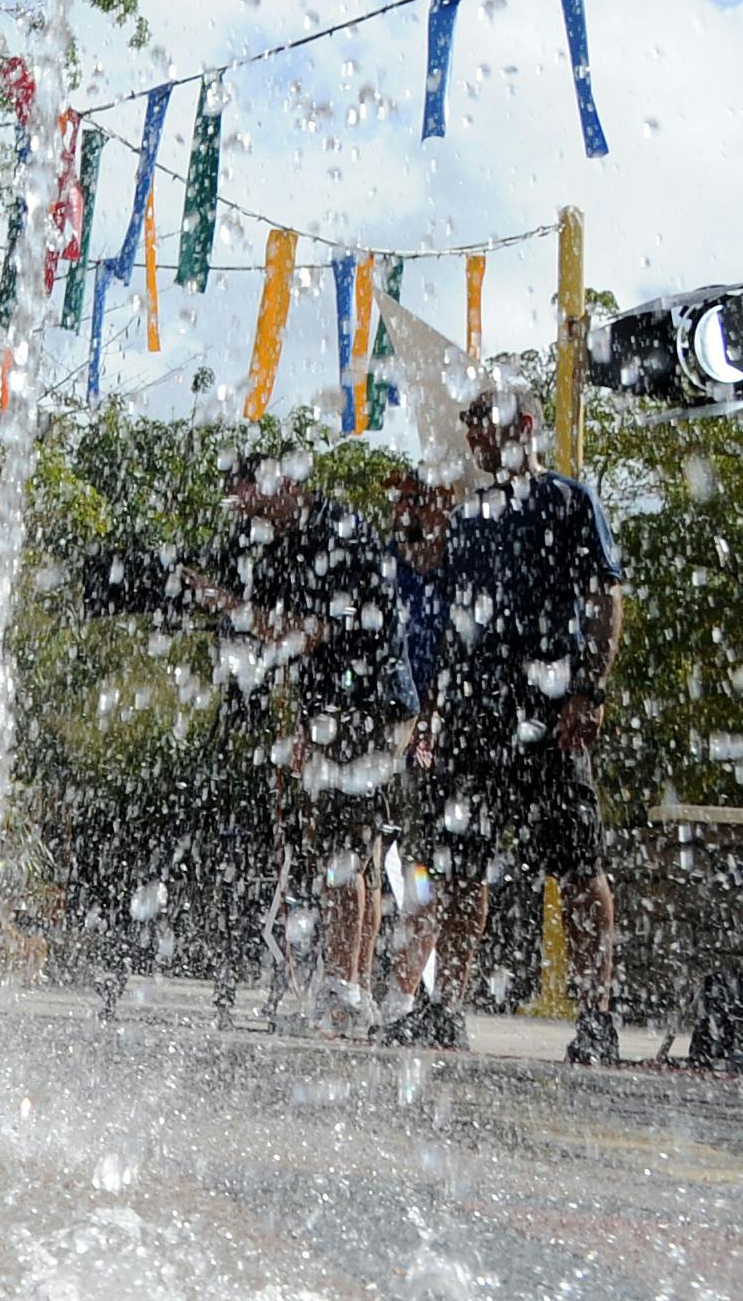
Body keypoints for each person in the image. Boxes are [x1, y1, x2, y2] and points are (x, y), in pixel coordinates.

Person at [382, 372, 625, 1062]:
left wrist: (590, 691)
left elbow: (606, 597)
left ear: (522, 426)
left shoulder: (569, 502)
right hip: (471, 713)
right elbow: (449, 617)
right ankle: (447, 1008)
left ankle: (597, 1016)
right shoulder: (470, 514)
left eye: (480, 424)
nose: (471, 438)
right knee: (461, 869)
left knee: (578, 866)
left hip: (549, 710)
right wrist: (431, 710)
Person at [198, 448, 407, 1036]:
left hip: (365, 706)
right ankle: (353, 991)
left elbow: (309, 631)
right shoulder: (288, 543)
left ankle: (344, 994)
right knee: (353, 856)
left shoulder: (337, 529)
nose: (247, 513)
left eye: (252, 498)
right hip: (339, 708)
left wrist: (226, 603)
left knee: (345, 856)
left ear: (282, 482)